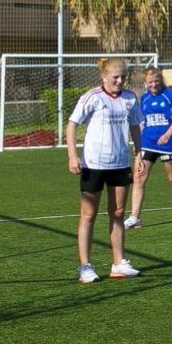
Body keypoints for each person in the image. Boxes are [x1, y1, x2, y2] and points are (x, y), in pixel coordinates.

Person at [66, 57, 140, 283]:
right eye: (115, 77)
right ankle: (85, 266)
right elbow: (72, 124)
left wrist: (140, 154)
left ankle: (118, 263)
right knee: (88, 215)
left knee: (118, 213)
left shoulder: (130, 98)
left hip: (120, 163)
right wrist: (72, 155)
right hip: (93, 165)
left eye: (123, 77)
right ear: (104, 76)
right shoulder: (92, 97)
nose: (119, 81)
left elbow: (135, 126)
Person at [126, 66, 172, 228]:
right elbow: (141, 122)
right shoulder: (144, 98)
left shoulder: (170, 95)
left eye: (156, 81)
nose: (154, 84)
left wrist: (168, 134)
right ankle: (135, 217)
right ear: (145, 82)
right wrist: (138, 143)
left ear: (161, 80)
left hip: (168, 144)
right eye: (150, 82)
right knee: (139, 177)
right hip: (148, 143)